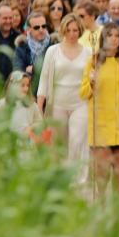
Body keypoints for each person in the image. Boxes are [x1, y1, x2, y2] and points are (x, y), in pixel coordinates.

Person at [79, 22, 119, 189]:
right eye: (110, 35)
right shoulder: (93, 61)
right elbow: (83, 93)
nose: (114, 39)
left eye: (117, 36)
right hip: (100, 125)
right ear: (104, 38)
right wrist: (92, 83)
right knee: (100, 177)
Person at [37, 14, 92, 175]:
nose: (72, 33)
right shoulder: (52, 51)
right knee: (58, 144)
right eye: (68, 30)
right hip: (58, 103)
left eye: (75, 30)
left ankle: (78, 179)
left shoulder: (88, 52)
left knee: (77, 141)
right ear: (63, 30)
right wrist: (40, 106)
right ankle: (59, 178)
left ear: (80, 31)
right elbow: (44, 78)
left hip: (80, 103)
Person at [0, 70, 44, 138]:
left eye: (27, 85)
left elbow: (40, 123)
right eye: (22, 85)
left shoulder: (32, 104)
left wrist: (31, 128)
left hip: (26, 142)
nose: (26, 89)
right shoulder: (1, 104)